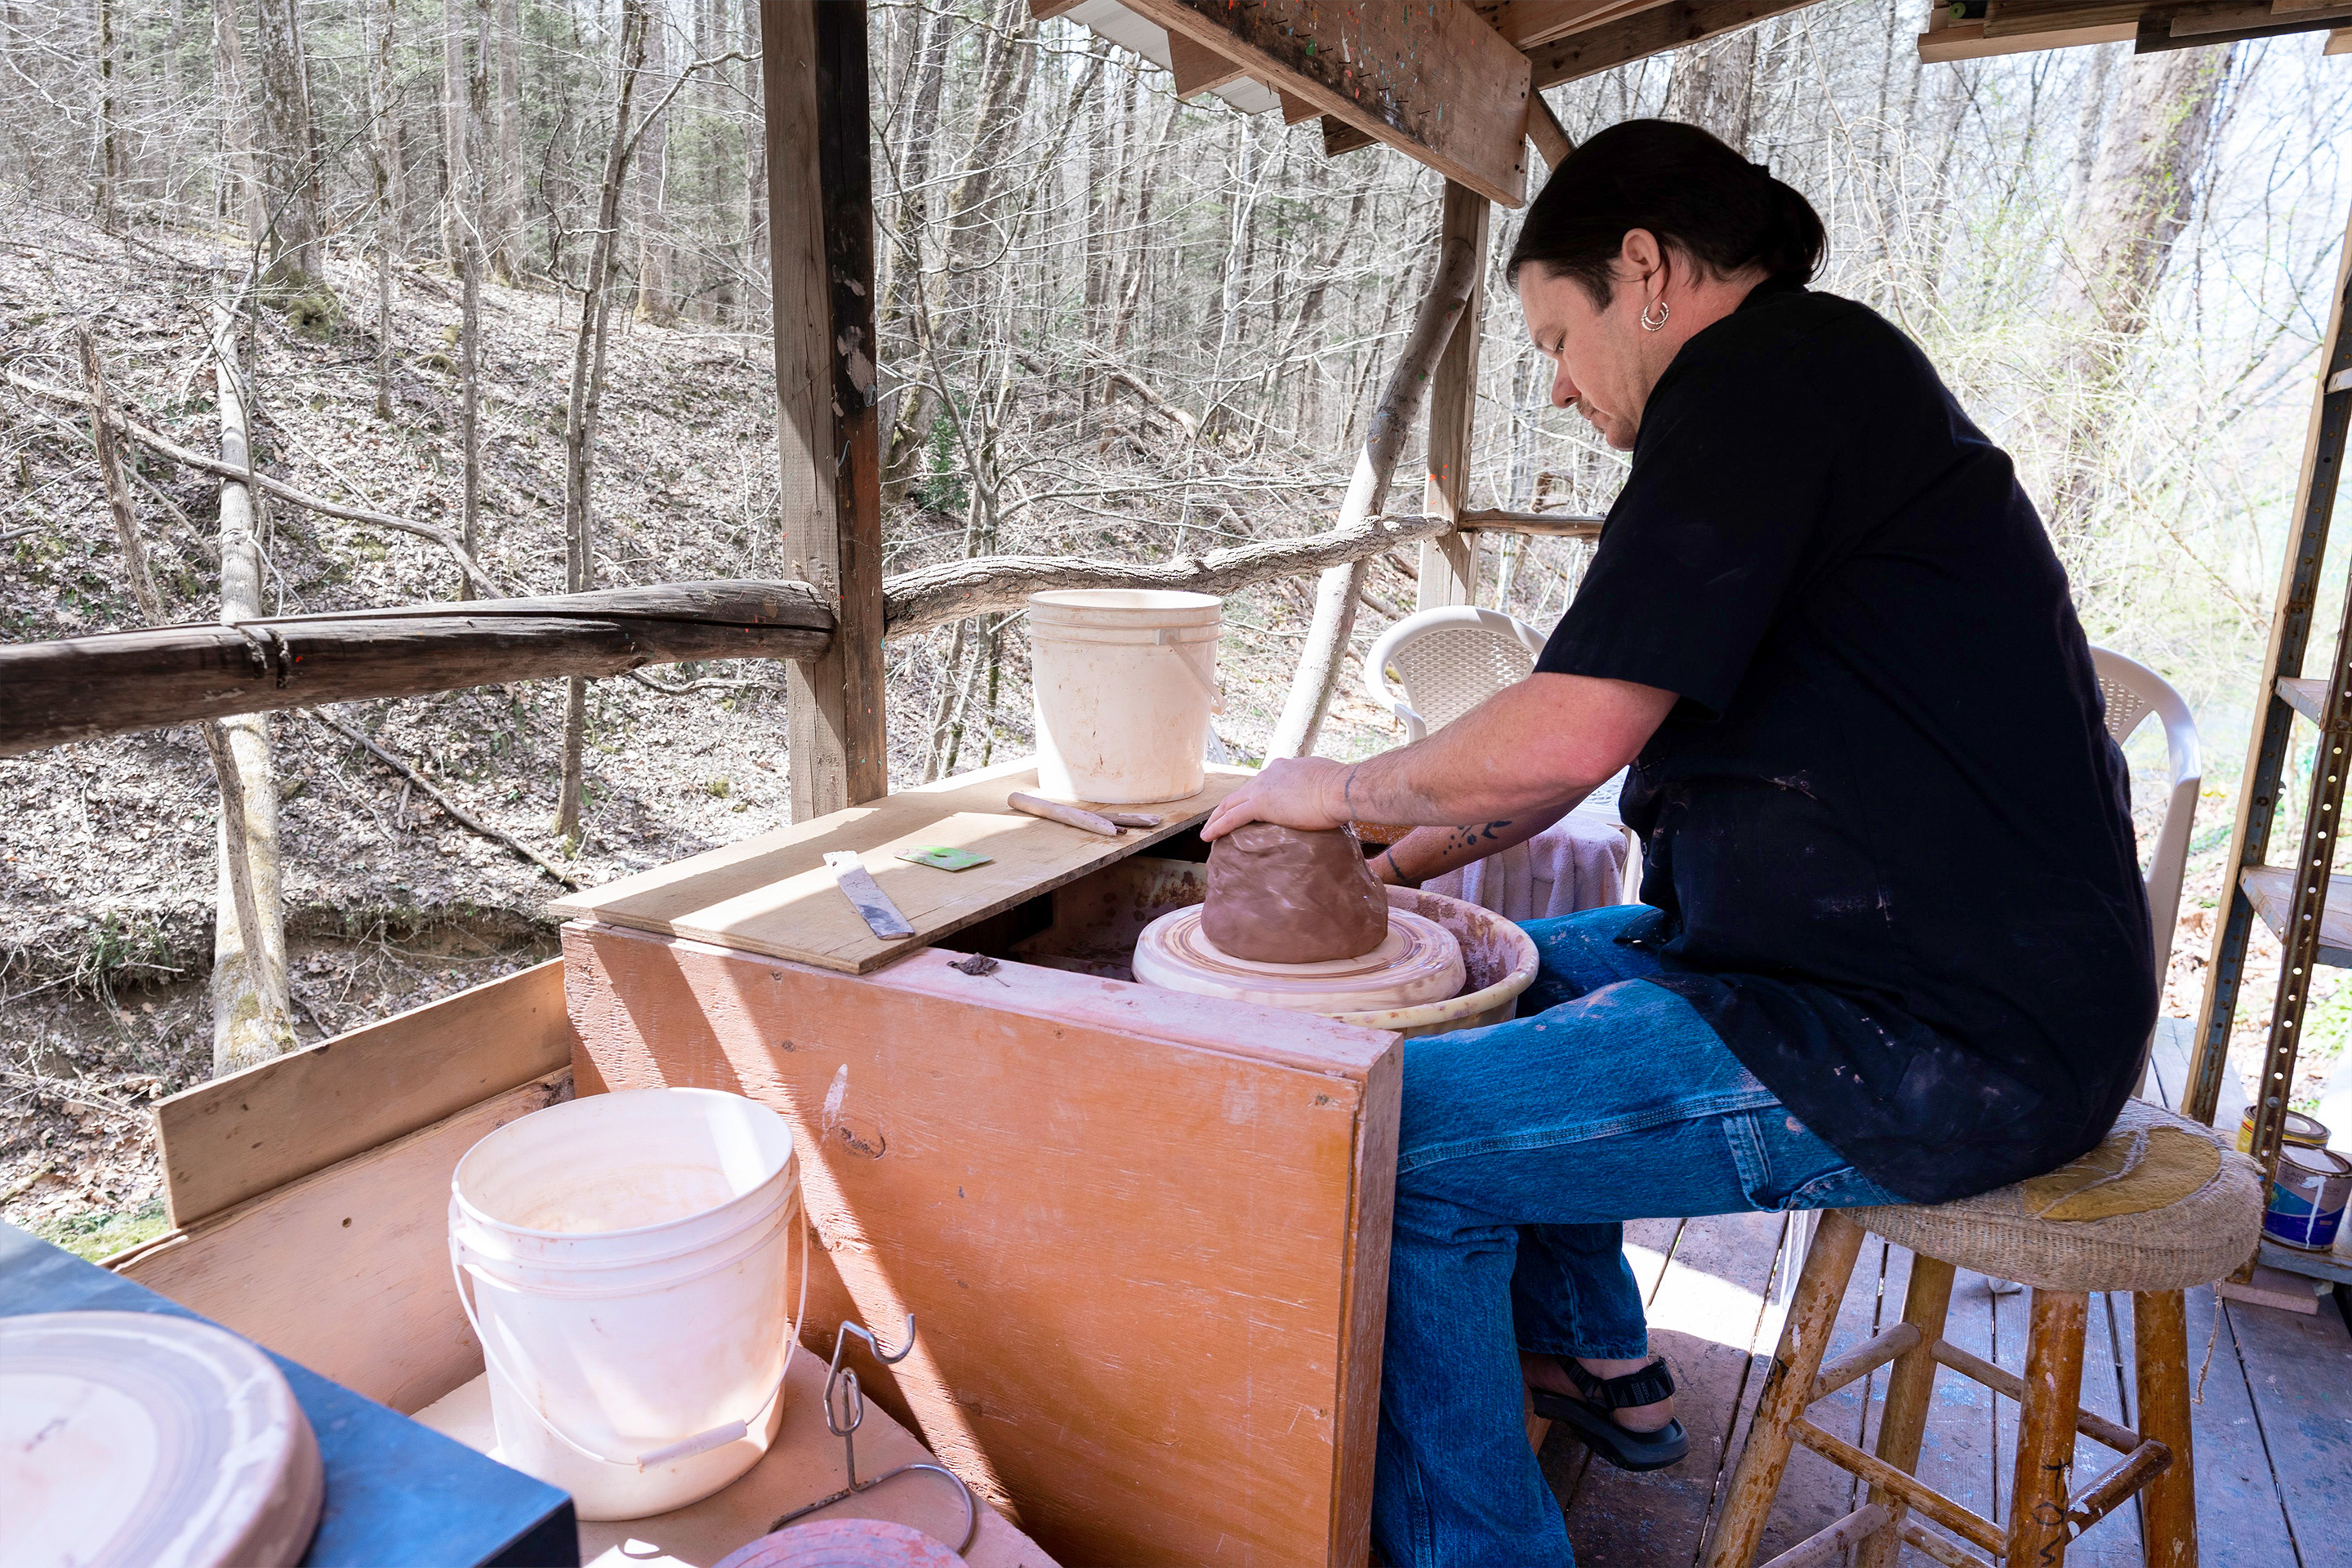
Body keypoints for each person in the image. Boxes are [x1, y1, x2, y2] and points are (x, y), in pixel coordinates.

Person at [1198, 119, 2154, 1568]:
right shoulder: (1813, 391)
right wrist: (1392, 876)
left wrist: (1336, 793)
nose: (1565, 387)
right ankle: (1602, 1365)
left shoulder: (1773, 382)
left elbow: (1571, 729)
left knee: (1398, 1142)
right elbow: (1599, 729)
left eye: (1558, 339)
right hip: (1856, 959)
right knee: (1509, 974)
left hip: (1932, 1030)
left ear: (1643, 269)